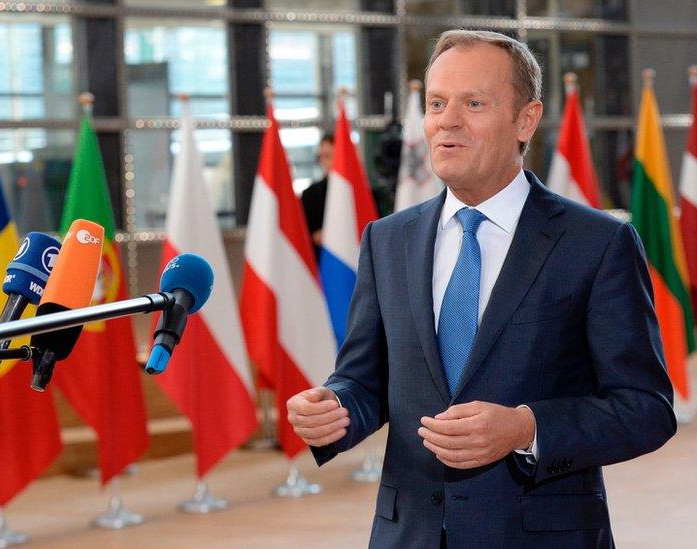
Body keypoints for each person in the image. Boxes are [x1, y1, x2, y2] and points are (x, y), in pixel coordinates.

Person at [286, 30, 675, 548]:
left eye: (473, 103)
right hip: (410, 535)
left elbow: (645, 408)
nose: (447, 120)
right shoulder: (387, 240)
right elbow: (365, 382)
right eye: (436, 103)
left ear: (525, 120)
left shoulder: (597, 243)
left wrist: (525, 428)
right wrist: (333, 409)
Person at [300, 132, 335, 258]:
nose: (329, 161)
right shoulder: (310, 196)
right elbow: (302, 237)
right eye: (325, 156)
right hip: (321, 265)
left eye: (332, 155)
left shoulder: (367, 194)